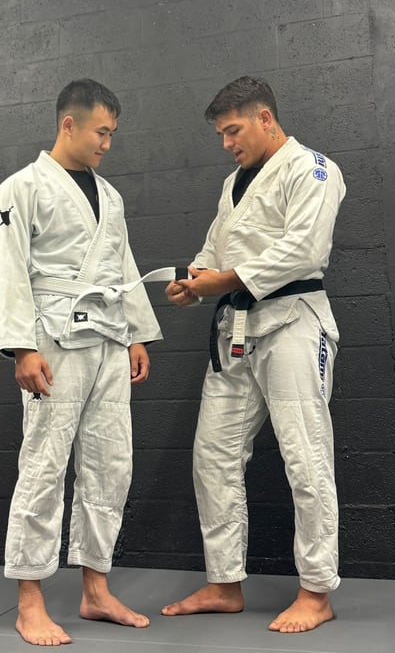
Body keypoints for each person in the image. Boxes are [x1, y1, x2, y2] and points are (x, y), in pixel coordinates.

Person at [163, 75, 346, 633]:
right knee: (212, 456)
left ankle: (316, 591)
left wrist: (222, 281)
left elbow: (303, 250)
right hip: (237, 330)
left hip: (293, 323)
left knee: (305, 456)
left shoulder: (313, 169)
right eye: (221, 134)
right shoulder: (234, 183)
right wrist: (195, 279)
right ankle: (224, 583)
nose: (226, 143)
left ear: (265, 118)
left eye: (233, 131)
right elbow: (217, 246)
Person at [0, 78, 162, 646]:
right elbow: (9, 268)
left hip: (110, 336)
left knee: (111, 465)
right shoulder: (22, 187)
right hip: (54, 338)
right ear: (70, 124)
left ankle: (95, 589)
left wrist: (137, 333)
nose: (107, 144)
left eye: (112, 134)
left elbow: (122, 263)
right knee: (45, 463)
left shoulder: (109, 195)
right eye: (101, 132)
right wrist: (21, 346)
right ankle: (29, 599)